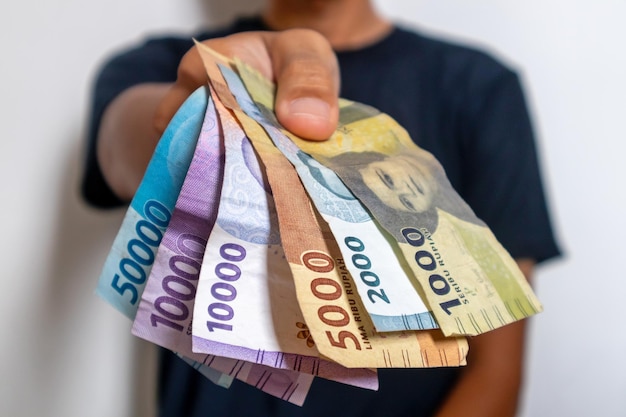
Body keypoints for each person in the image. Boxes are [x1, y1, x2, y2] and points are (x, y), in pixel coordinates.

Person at [81, 1, 560, 416]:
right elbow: (121, 144)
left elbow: (497, 372)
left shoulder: (479, 87)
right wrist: (194, 118)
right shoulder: (163, 62)